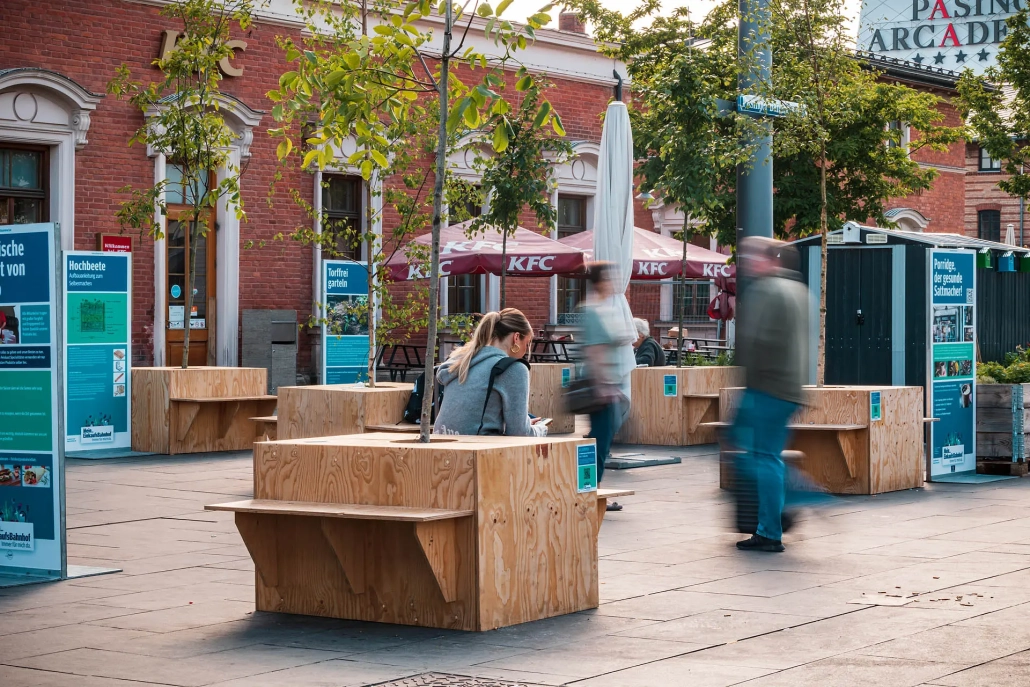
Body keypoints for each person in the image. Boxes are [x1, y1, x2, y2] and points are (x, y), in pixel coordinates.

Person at [731, 237, 810, 553]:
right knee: (766, 456)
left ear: (767, 259)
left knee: (758, 457)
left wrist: (746, 387)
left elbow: (755, 343)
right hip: (791, 388)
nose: (747, 263)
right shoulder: (798, 289)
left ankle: (772, 527)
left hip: (766, 387)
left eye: (750, 257)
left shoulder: (765, 290)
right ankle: (788, 499)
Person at [434, 308, 547, 437]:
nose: (526, 350)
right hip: (480, 450)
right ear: (516, 338)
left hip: (443, 444)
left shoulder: (462, 361)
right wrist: (541, 429)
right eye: (527, 343)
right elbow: (520, 433)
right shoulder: (512, 369)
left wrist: (524, 423)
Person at [579, 262, 637, 510]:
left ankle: (591, 490)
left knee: (599, 441)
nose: (613, 282)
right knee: (598, 444)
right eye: (609, 278)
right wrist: (604, 386)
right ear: (599, 281)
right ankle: (592, 492)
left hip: (607, 386)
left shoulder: (603, 309)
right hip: (600, 388)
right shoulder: (592, 311)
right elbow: (594, 351)